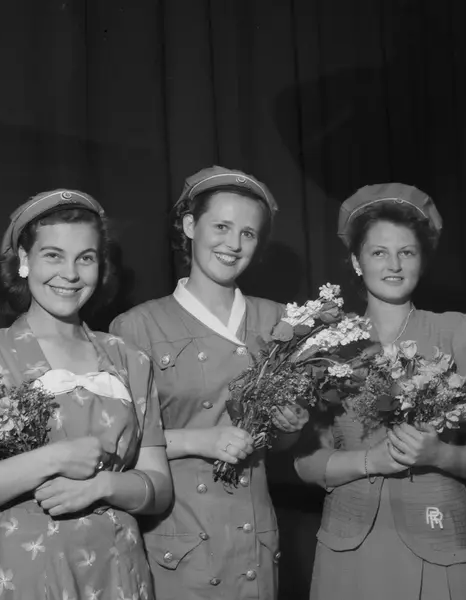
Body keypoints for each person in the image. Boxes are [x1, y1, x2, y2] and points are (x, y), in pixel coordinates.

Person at [0, 189, 172, 599]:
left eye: (86, 258)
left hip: (118, 573)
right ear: (24, 260)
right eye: (53, 255)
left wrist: (102, 486)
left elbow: (160, 488)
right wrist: (55, 458)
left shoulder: (129, 358)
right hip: (24, 575)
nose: (71, 274)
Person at [295, 183, 466, 600]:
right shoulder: (327, 346)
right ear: (356, 262)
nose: (393, 265)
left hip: (438, 537)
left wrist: (440, 455)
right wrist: (370, 461)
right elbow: (306, 463)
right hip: (350, 546)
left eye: (407, 252)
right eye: (379, 253)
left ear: (421, 261)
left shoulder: (458, 330)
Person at [110, 166, 309, 600]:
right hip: (180, 536)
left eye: (248, 234)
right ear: (189, 226)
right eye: (221, 227)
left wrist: (289, 426)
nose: (233, 244)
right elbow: (119, 446)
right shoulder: (137, 326)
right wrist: (200, 440)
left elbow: (279, 445)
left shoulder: (278, 320)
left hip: (253, 537)